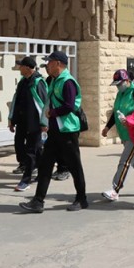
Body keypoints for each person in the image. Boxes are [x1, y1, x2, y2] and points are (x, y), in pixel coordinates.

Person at [19, 51, 88, 213]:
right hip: (55, 131)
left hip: (67, 130)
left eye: (49, 62)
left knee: (74, 166)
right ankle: (38, 201)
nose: (47, 65)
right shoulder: (54, 80)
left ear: (58, 63)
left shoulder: (68, 82)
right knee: (45, 165)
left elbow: (70, 105)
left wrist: (53, 113)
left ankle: (81, 199)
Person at [101, 69, 134, 201]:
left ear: (127, 81)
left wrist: (130, 120)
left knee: (125, 161)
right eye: (116, 84)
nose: (118, 87)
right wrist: (107, 127)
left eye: (120, 84)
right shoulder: (120, 94)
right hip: (125, 134)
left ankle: (115, 189)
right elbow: (116, 112)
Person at [8, 56, 48, 192]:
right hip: (22, 122)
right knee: (21, 146)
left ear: (27, 67)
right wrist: (12, 120)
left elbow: (43, 104)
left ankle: (26, 180)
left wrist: (44, 122)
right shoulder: (23, 82)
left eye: (21, 66)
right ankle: (41, 172)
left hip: (35, 123)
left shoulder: (38, 82)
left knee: (31, 151)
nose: (19, 68)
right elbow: (16, 101)